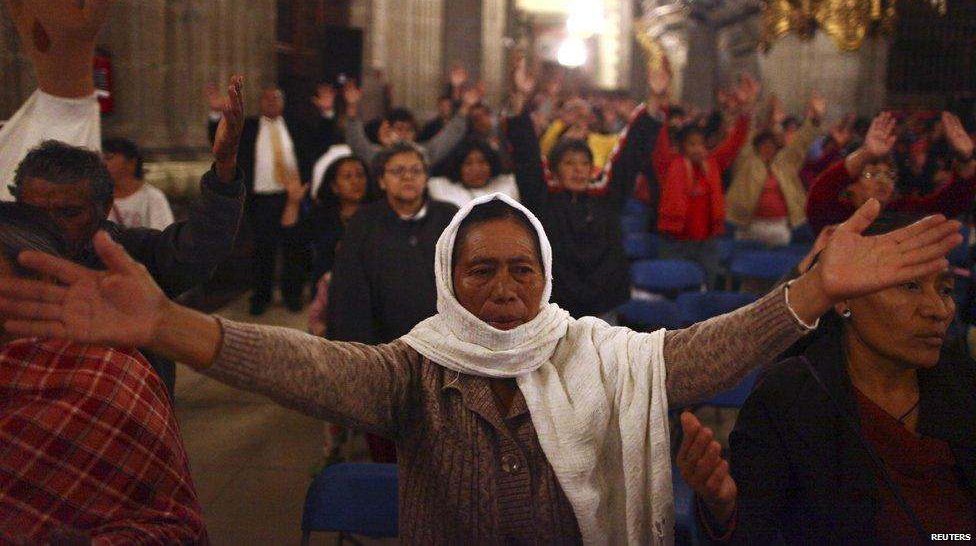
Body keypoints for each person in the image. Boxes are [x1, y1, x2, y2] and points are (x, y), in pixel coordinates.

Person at [0, 190, 961, 544]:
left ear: (545, 279)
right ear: (449, 283)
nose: (504, 287)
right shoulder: (414, 373)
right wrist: (169, 324)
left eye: (522, 270)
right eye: (482, 270)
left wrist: (811, 291)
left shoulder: (599, 353)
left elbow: (710, 351)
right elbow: (308, 365)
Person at [678, 212, 975, 544]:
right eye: (909, 285)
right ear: (845, 298)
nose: (938, 309)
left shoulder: (962, 380)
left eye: (946, 289)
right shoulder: (790, 397)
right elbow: (749, 529)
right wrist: (723, 509)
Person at [11, 76, 245, 395]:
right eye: (36, 213)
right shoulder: (9, 259)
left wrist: (225, 167)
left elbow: (198, 248)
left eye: (69, 213)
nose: (49, 225)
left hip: (126, 414)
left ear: (104, 207)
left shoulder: (132, 255)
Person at [0, 202, 206, 544]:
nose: (59, 218)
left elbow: (169, 524)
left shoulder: (105, 374)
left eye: (68, 208)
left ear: (40, 277)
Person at [504, 55, 664, 320]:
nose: (578, 170)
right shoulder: (543, 196)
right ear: (555, 169)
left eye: (583, 164)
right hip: (554, 309)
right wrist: (519, 98)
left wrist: (655, 100)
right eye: (569, 163)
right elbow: (525, 153)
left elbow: (631, 154)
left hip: (603, 306)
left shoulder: (606, 194)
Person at [326, 141, 458, 462]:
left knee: (448, 448)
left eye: (415, 170)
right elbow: (348, 295)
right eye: (397, 171)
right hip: (386, 356)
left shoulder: (450, 218)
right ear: (382, 180)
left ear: (427, 177)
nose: (407, 177)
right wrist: (360, 359)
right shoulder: (363, 223)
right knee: (390, 452)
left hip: (448, 355)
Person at [206, 84, 329, 315]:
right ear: (260, 102)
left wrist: (327, 113)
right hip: (261, 198)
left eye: (277, 97)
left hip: (291, 195)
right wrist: (215, 114)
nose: (272, 101)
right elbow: (220, 142)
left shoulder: (296, 126)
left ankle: (292, 295)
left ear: (283, 102)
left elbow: (322, 141)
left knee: (294, 248)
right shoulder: (248, 127)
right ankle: (260, 296)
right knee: (263, 249)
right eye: (267, 98)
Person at [649, 72, 757, 287]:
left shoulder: (713, 163)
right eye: (692, 144)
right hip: (675, 244)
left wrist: (745, 111)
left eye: (701, 144)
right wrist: (659, 100)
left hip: (706, 243)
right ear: (681, 146)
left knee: (706, 292)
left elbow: (735, 142)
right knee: (672, 290)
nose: (698, 149)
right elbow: (658, 138)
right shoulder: (670, 164)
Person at [0, 0, 110, 201]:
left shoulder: (24, 8)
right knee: (74, 189)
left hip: (49, 105)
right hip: (72, 110)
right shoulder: (75, 16)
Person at [806, 111, 976, 234]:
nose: (882, 181)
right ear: (850, 188)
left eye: (889, 175)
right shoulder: (837, 216)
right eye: (871, 174)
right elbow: (820, 195)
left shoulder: (901, 212)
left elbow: (951, 203)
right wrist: (866, 154)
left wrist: (966, 158)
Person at [280, 156, 372, 337]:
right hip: (328, 295)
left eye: (360, 175)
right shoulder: (323, 214)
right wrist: (293, 202)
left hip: (369, 293)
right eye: (347, 176)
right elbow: (292, 239)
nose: (356, 181)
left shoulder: (377, 214)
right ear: (334, 186)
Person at [725, 94, 825, 247]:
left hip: (780, 227)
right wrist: (746, 110)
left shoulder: (784, 163)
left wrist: (814, 119)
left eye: (770, 145)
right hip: (750, 226)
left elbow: (800, 143)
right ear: (756, 147)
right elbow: (742, 140)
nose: (767, 148)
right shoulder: (747, 163)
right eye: (763, 145)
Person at [342, 79, 478, 174]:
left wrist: (465, 107)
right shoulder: (376, 154)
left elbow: (450, 136)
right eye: (399, 129)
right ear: (387, 131)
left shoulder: (423, 153)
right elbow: (356, 141)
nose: (404, 134)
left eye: (409, 129)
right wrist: (352, 107)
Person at [103, 137, 175, 230]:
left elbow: (163, 234)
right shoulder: (100, 197)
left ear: (132, 162)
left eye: (108, 158)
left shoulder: (153, 197)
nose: (103, 163)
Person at [427, 137, 519, 208]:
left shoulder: (509, 184)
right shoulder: (439, 187)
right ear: (458, 167)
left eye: (482, 162)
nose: (476, 169)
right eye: (468, 163)